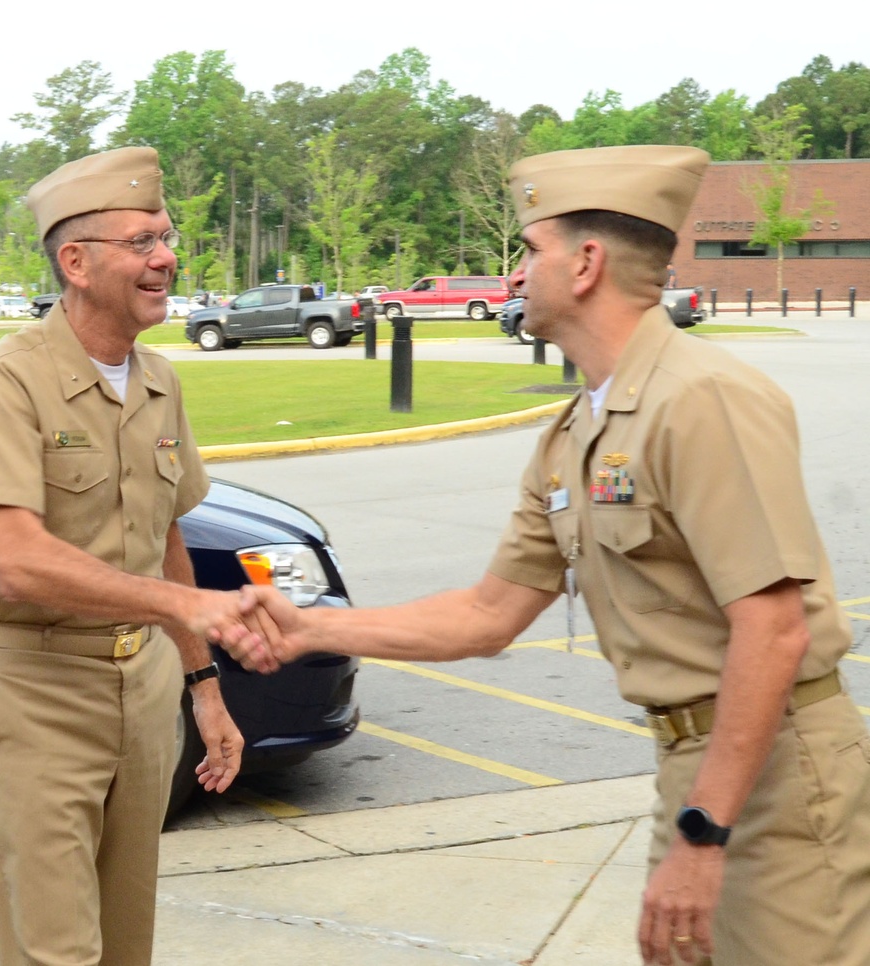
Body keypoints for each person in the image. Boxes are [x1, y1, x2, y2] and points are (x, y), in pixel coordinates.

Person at [225, 145, 870, 966]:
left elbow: (773, 629)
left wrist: (704, 835)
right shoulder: (575, 435)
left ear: (587, 262)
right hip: (698, 771)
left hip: (774, 775)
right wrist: (307, 628)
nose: (516, 273)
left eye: (529, 249)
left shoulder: (701, 399)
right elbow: (488, 614)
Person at [0, 146, 262, 966]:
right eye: (142, 241)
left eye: (167, 235)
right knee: (57, 954)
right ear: (76, 263)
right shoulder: (7, 381)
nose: (167, 257)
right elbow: (16, 560)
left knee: (127, 948)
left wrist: (203, 684)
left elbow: (165, 539)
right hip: (37, 690)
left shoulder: (158, 379)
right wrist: (183, 608)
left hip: (145, 692)